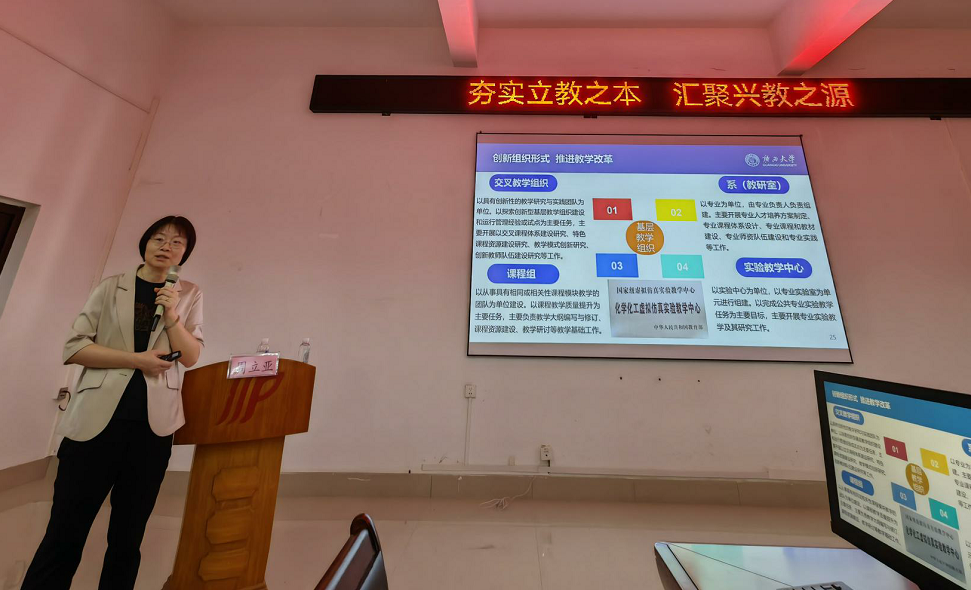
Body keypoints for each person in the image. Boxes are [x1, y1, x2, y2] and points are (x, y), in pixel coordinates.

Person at [22, 216, 204, 590]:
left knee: (127, 538)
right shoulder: (111, 287)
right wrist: (136, 360)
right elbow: (74, 348)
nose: (166, 246)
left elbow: (191, 356)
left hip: (153, 430)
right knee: (65, 531)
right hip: (94, 425)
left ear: (185, 253)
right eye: (159, 238)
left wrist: (172, 315)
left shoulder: (189, 294)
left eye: (177, 242)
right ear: (145, 242)